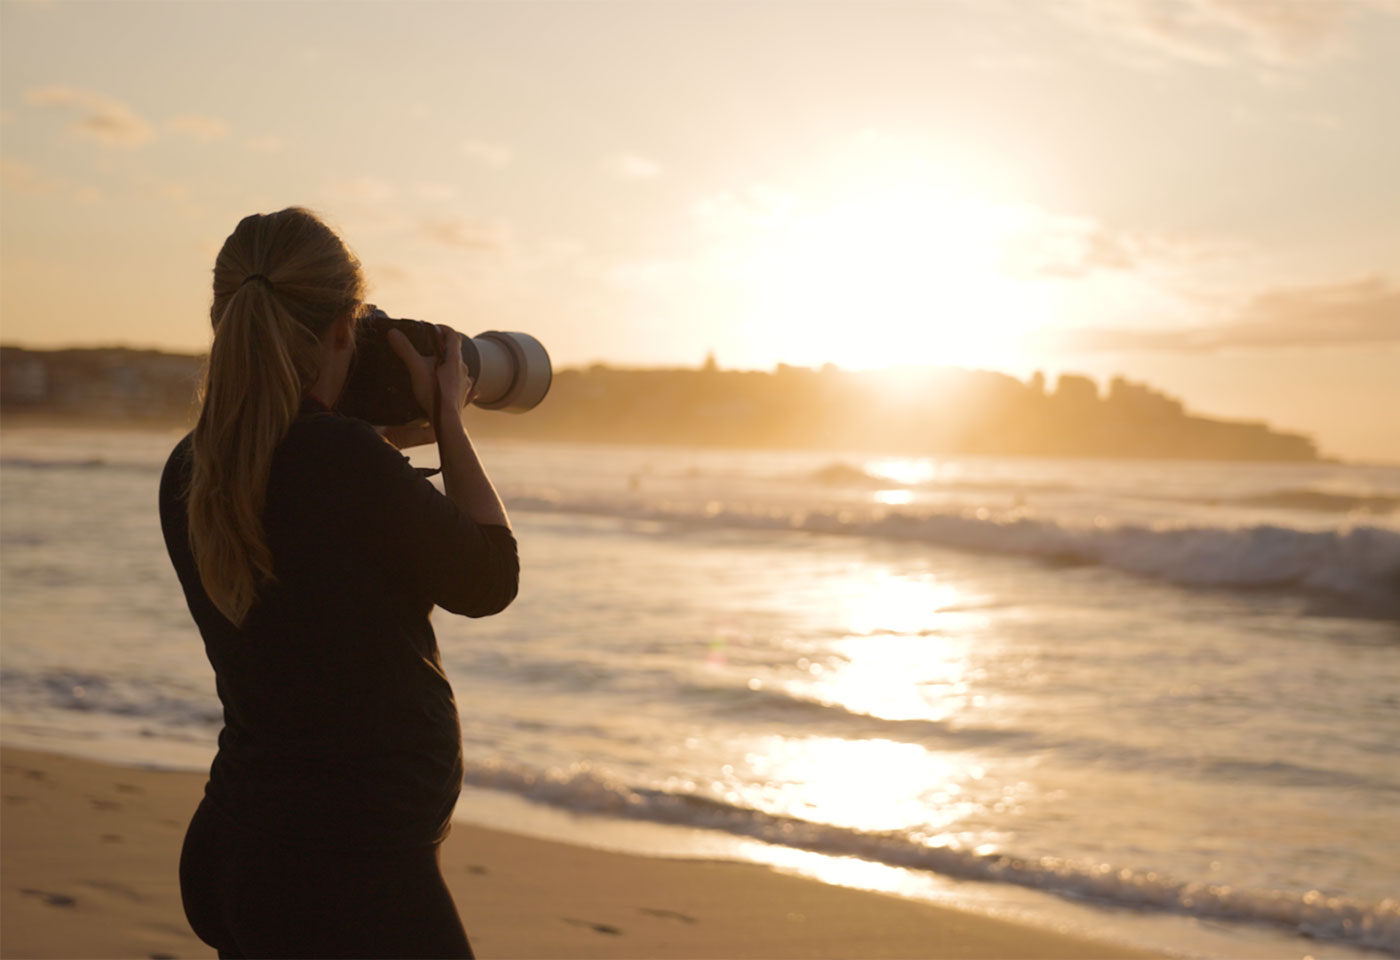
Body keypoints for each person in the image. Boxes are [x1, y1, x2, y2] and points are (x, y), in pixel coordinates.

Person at [158, 207, 518, 959]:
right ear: (343, 331)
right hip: (348, 870)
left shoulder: (193, 466)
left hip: (242, 841)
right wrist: (449, 418)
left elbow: (312, 551)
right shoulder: (343, 461)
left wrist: (373, 436)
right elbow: (489, 578)